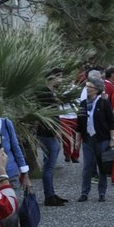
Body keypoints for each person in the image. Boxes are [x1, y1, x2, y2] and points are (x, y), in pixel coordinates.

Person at [34, 68, 70, 207]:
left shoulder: (48, 92)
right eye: (59, 76)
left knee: (49, 165)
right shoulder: (45, 93)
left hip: (49, 133)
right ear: (51, 77)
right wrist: (55, 130)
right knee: (49, 166)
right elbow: (48, 115)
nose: (61, 79)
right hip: (48, 133)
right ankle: (49, 196)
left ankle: (51, 193)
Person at [77, 78, 114, 203]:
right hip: (88, 138)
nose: (87, 89)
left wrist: (112, 139)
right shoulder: (83, 104)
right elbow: (79, 124)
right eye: (86, 86)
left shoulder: (103, 103)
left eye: (90, 87)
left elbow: (111, 122)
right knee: (87, 167)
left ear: (97, 89)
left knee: (102, 166)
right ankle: (84, 193)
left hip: (102, 138)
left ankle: (102, 192)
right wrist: (77, 141)